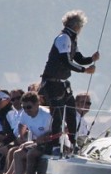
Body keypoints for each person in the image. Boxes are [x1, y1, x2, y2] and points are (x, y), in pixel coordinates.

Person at [39, 10, 99, 150]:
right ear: (77, 26)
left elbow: (78, 58)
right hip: (53, 84)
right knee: (58, 116)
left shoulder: (72, 39)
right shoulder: (63, 38)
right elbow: (66, 61)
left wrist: (91, 59)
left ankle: (74, 143)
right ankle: (55, 146)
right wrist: (85, 71)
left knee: (71, 113)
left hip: (63, 84)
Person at [0, 92, 56, 174]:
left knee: (31, 153)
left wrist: (42, 139)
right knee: (17, 153)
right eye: (24, 107)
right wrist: (22, 137)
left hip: (50, 142)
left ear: (37, 104)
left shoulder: (46, 115)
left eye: (29, 107)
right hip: (37, 142)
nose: (26, 110)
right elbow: (21, 124)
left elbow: (59, 129)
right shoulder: (25, 114)